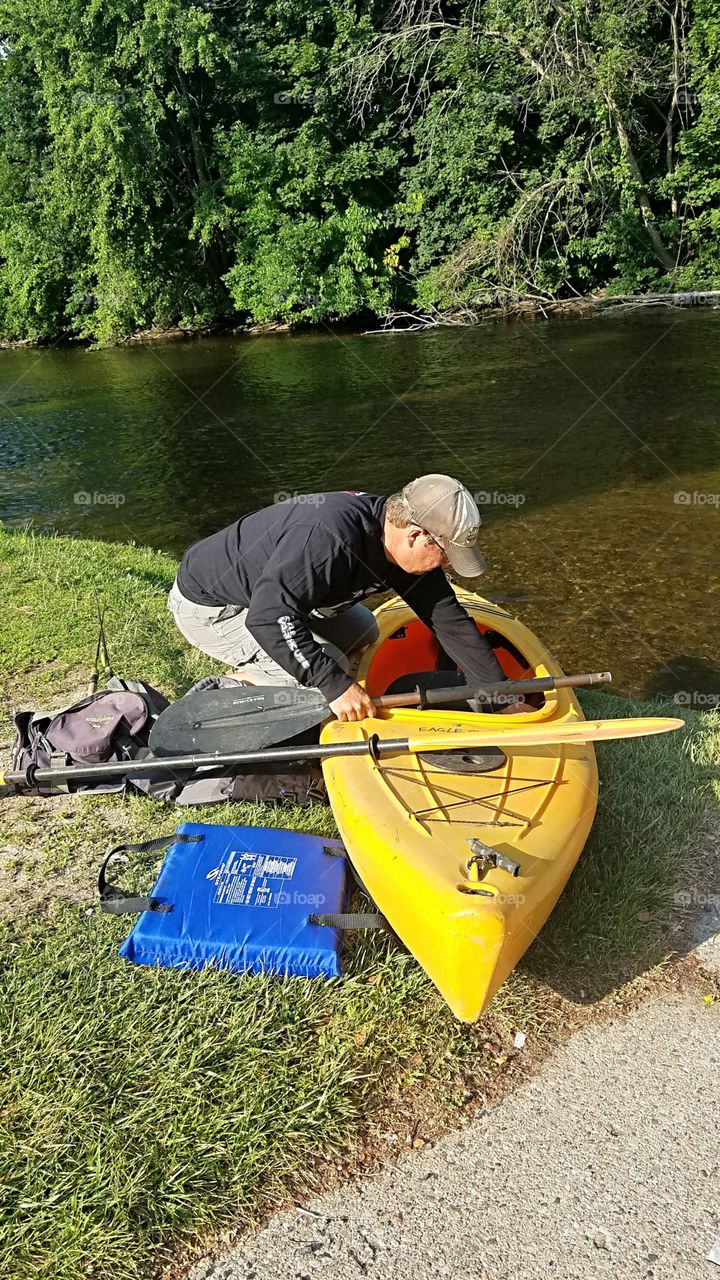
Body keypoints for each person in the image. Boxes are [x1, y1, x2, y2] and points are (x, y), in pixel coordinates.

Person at [168, 474, 529, 721]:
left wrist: (499, 696)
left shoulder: (396, 538)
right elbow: (267, 617)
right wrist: (335, 685)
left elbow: (449, 620)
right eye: (446, 554)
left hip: (273, 596)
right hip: (216, 607)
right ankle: (241, 682)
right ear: (416, 535)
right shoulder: (329, 540)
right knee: (322, 683)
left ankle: (293, 663)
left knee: (364, 629)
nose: (447, 564)